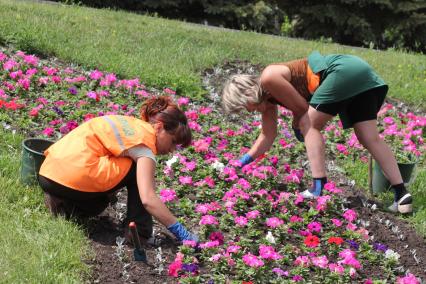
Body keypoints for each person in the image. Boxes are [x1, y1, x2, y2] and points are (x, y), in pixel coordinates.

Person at [221, 51, 412, 214]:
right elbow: (267, 136)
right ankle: (401, 194)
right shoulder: (268, 103)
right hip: (360, 73)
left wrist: (298, 124)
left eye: (244, 106)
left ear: (246, 93)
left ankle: (318, 186)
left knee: (308, 125)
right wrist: (242, 162)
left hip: (342, 70)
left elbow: (302, 109)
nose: (249, 111)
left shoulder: (269, 77)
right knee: (368, 137)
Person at [38, 96, 198, 243]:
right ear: (159, 128)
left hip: (48, 173)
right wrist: (181, 232)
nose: (172, 150)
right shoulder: (145, 146)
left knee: (98, 205)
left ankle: (63, 203)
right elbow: (148, 199)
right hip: (73, 178)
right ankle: (139, 233)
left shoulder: (130, 124)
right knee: (137, 170)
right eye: (173, 142)